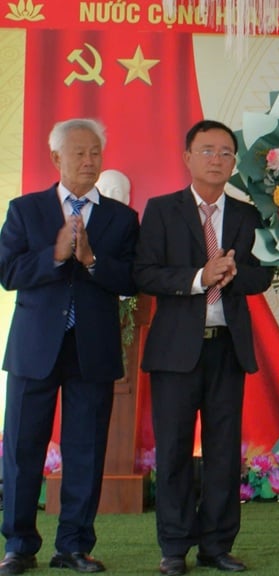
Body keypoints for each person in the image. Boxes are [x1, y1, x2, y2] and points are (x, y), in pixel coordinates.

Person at [134, 120, 274, 575]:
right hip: (175, 352)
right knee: (173, 450)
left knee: (222, 452)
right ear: (187, 156)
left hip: (226, 349)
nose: (218, 159)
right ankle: (174, 548)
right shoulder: (160, 210)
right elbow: (145, 274)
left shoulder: (247, 215)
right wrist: (200, 277)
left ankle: (217, 546)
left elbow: (264, 274)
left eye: (227, 152)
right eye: (208, 150)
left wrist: (234, 274)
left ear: (235, 162)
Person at [0, 118, 139, 575]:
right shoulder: (25, 210)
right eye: (78, 153)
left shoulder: (122, 218)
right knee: (22, 450)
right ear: (56, 158)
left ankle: (74, 546)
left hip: (91, 349)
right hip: (34, 349)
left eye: (95, 153)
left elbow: (133, 279)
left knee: (86, 450)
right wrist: (55, 256)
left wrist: (92, 261)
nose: (88, 161)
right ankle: (19, 546)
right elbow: (8, 274)